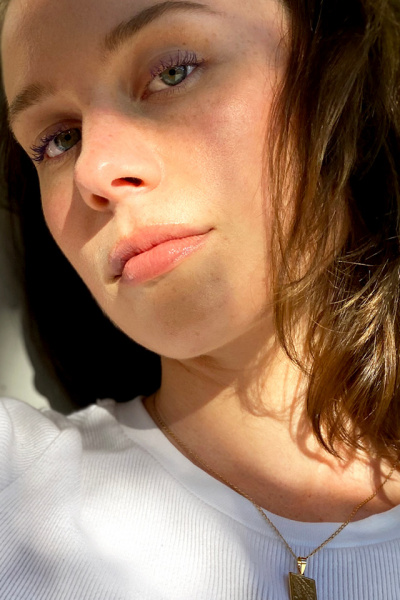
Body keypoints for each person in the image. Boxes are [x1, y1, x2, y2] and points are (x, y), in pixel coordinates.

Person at [0, 0, 400, 598]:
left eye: (174, 72)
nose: (94, 170)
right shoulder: (16, 491)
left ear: (336, 70)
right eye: (60, 140)